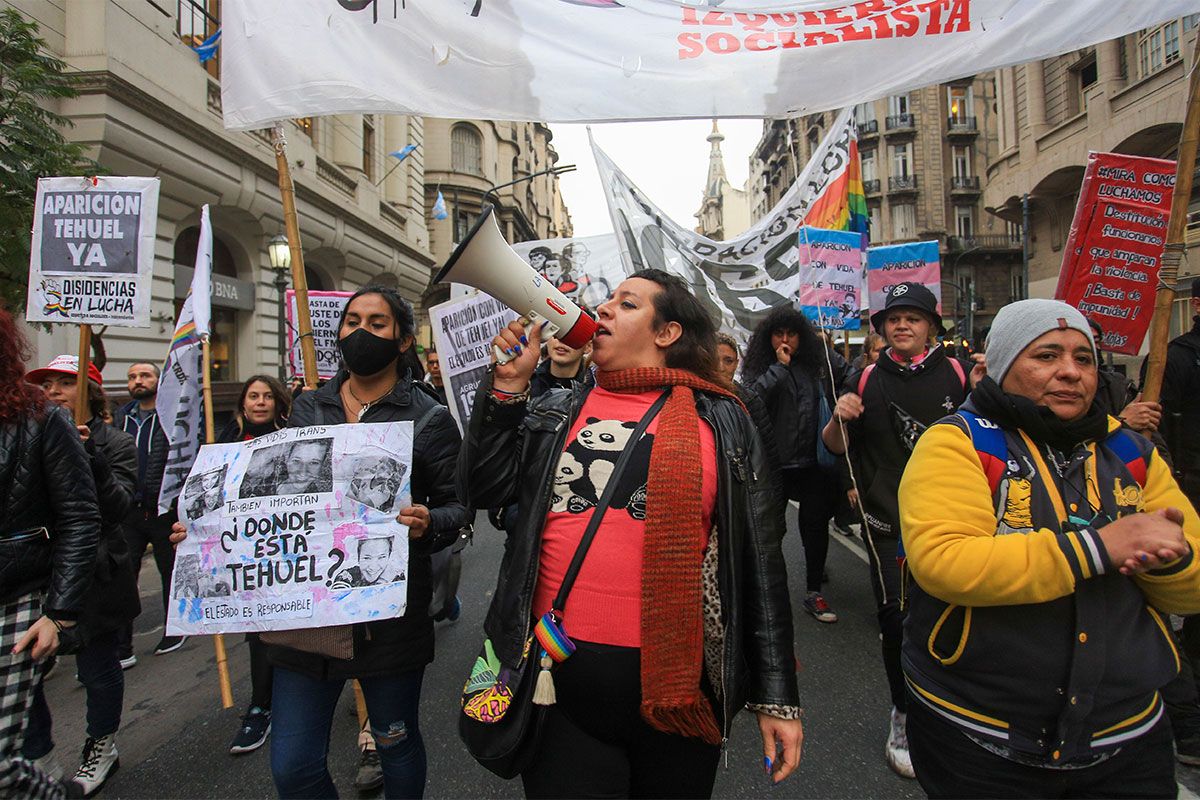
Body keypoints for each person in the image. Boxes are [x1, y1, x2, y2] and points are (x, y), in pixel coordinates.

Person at [461, 269, 803, 798]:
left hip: (682, 693)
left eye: (626, 303)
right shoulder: (557, 405)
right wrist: (507, 387)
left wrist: (776, 696)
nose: (603, 310)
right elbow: (484, 490)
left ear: (666, 333)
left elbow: (761, 559)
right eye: (608, 300)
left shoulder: (727, 418)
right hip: (559, 684)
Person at [899, 298, 1200, 798]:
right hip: (982, 735)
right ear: (1001, 365)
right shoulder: (958, 442)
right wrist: (1099, 547)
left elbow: (1190, 589)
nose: (1070, 372)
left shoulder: (1132, 451)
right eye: (1046, 355)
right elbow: (945, 562)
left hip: (1127, 735)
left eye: (1083, 359)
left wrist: (1172, 560)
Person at [174, 285, 467, 798]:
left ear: (402, 340)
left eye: (377, 323)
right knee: (293, 765)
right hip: (306, 622)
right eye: (352, 320)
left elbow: (459, 508)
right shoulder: (309, 408)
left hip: (388, 621)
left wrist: (429, 521)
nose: (361, 331)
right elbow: (268, 496)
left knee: (395, 745)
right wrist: (207, 529)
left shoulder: (429, 418)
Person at [821, 282, 975, 779]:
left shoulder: (958, 374)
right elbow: (835, 448)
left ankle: (956, 710)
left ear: (932, 325)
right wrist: (836, 418)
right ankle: (904, 713)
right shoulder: (864, 379)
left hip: (957, 517)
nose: (901, 324)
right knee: (896, 619)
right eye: (892, 318)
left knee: (960, 615)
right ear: (882, 329)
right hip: (889, 521)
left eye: (912, 316)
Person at [21, 356, 140, 797]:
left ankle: (100, 745)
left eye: (64, 383)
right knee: (25, 673)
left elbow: (119, 507)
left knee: (97, 669)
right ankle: (39, 756)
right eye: (46, 383)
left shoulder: (117, 443)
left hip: (96, 573)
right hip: (40, 573)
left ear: (90, 391)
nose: (52, 391)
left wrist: (88, 454)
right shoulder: (31, 436)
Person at [0, 307, 100, 799]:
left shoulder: (39, 421)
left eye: (67, 383)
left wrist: (59, 613)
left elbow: (84, 515)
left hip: (20, 598)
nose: (57, 390)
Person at [741, 306, 851, 624]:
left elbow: (850, 377)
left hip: (813, 462)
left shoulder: (817, 364)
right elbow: (752, 398)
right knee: (771, 530)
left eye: (792, 334)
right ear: (769, 337)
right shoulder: (761, 366)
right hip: (774, 464)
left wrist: (842, 398)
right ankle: (767, 592)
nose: (785, 340)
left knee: (815, 528)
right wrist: (778, 367)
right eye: (779, 334)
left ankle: (813, 590)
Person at [217, 375, 291, 757]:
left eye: (267, 396)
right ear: (243, 404)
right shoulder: (224, 447)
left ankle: (297, 700)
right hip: (249, 558)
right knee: (258, 635)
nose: (260, 402)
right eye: (253, 396)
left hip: (292, 553)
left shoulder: (297, 441)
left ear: (279, 403)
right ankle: (261, 706)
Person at [113, 361, 185, 659]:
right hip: (129, 509)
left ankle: (174, 630)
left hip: (162, 507)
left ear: (158, 380)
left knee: (169, 571)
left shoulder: (172, 416)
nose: (138, 381)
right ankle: (120, 645)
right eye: (132, 377)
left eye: (144, 375)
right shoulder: (122, 417)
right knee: (122, 575)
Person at [529, 326, 594, 397]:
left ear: (588, 346)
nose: (562, 339)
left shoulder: (593, 391)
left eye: (573, 335)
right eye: (557, 333)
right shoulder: (527, 382)